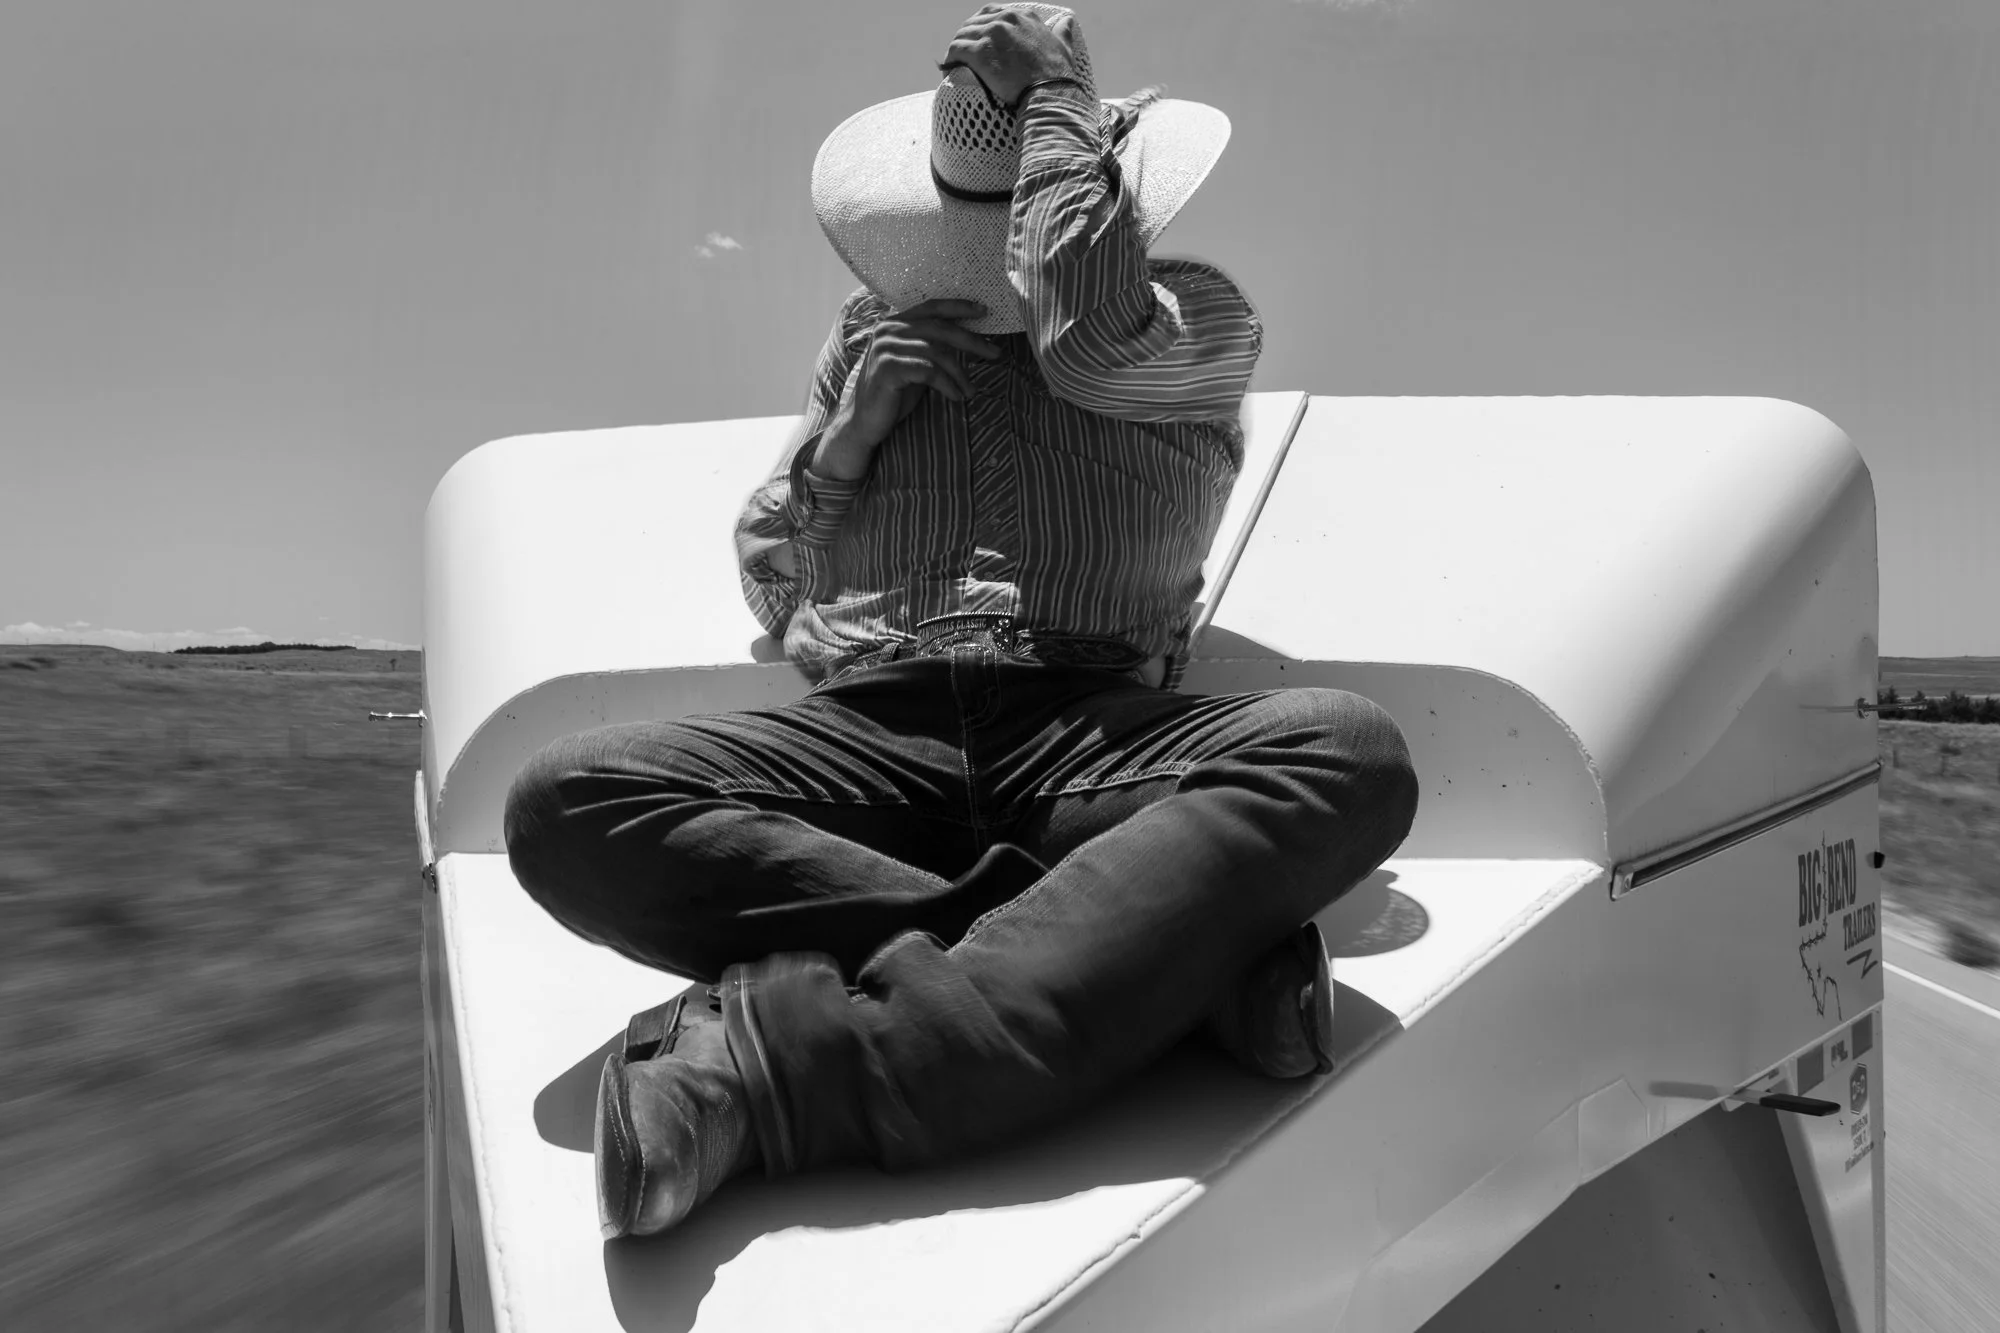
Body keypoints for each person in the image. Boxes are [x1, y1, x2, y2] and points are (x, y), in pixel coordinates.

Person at [504, 3, 1418, 1241]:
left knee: (1342, 751)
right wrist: (847, 438)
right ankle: (1151, 972)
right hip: (868, 733)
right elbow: (777, 598)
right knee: (566, 802)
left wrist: (1052, 105)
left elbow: (1087, 341)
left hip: (1089, 732)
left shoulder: (1193, 320)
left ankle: (780, 1064)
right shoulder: (861, 347)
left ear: (1086, 179)